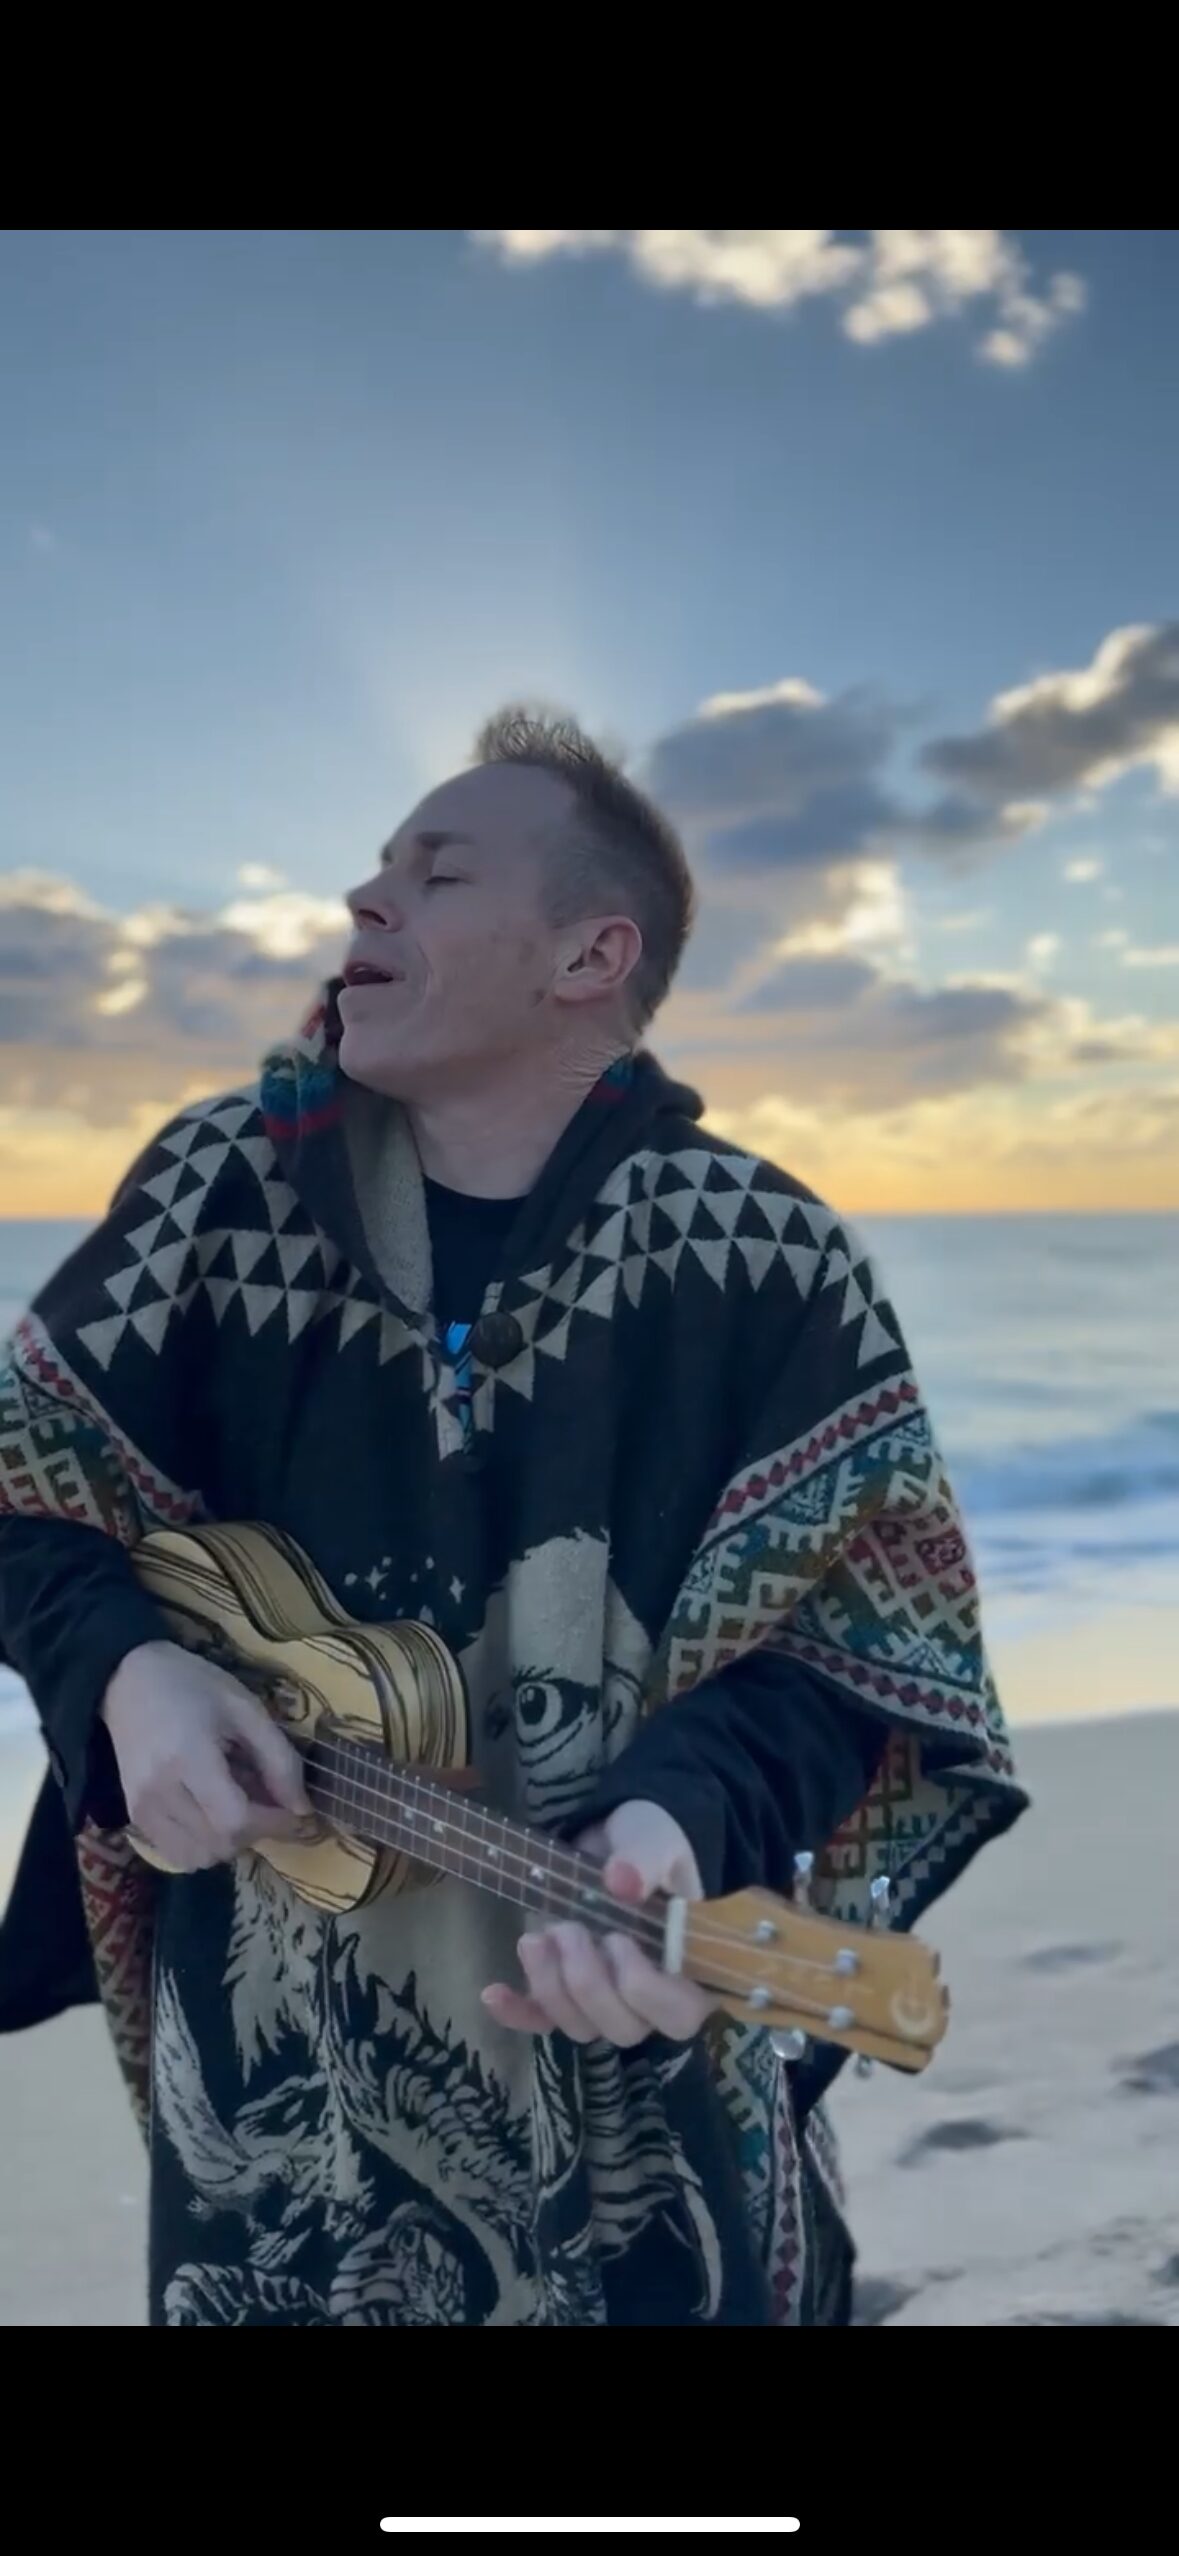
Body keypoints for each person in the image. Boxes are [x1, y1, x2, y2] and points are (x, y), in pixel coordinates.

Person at [0, 707, 1025, 2327]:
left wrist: (678, 1820)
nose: (365, 899)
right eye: (379, 864)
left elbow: (859, 1649)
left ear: (587, 956)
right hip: (278, 2075)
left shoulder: (759, 1256)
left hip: (640, 2061)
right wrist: (131, 1673)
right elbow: (24, 1497)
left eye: (437, 869)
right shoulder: (219, 1190)